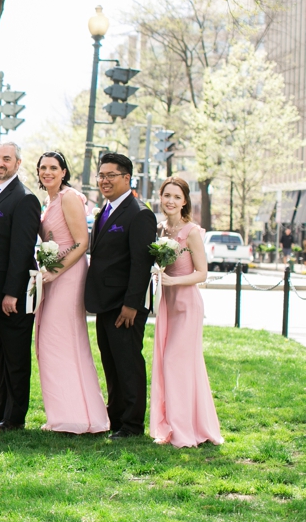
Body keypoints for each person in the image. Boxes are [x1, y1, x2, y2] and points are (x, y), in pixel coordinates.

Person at [33, 152, 108, 435]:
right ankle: (62, 413)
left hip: (69, 276)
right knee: (49, 344)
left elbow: (81, 242)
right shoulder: (49, 201)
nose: (47, 172)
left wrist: (56, 271)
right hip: (53, 276)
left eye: (53, 167)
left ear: (64, 172)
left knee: (61, 341)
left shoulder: (68, 197)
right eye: (43, 168)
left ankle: (78, 416)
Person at [85, 152, 157, 439]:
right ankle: (116, 418)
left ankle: (132, 424)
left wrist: (131, 305)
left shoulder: (139, 213)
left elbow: (141, 265)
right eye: (101, 175)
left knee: (128, 363)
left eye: (111, 175)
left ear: (127, 178)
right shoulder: (104, 210)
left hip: (124, 306)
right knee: (111, 363)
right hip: (104, 303)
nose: (104, 180)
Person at [150, 177, 223, 448]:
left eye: (176, 197)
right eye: (166, 195)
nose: (170, 200)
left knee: (174, 363)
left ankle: (183, 432)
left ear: (184, 201)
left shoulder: (191, 231)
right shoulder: (160, 230)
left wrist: (173, 281)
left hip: (187, 305)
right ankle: (174, 426)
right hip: (167, 305)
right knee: (170, 365)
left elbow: (202, 273)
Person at [0, 141, 40, 431]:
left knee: (14, 356)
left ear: (18, 163)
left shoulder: (24, 199)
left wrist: (12, 292)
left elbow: (22, 250)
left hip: (10, 293)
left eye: (7, 159)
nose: (0, 163)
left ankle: (15, 417)